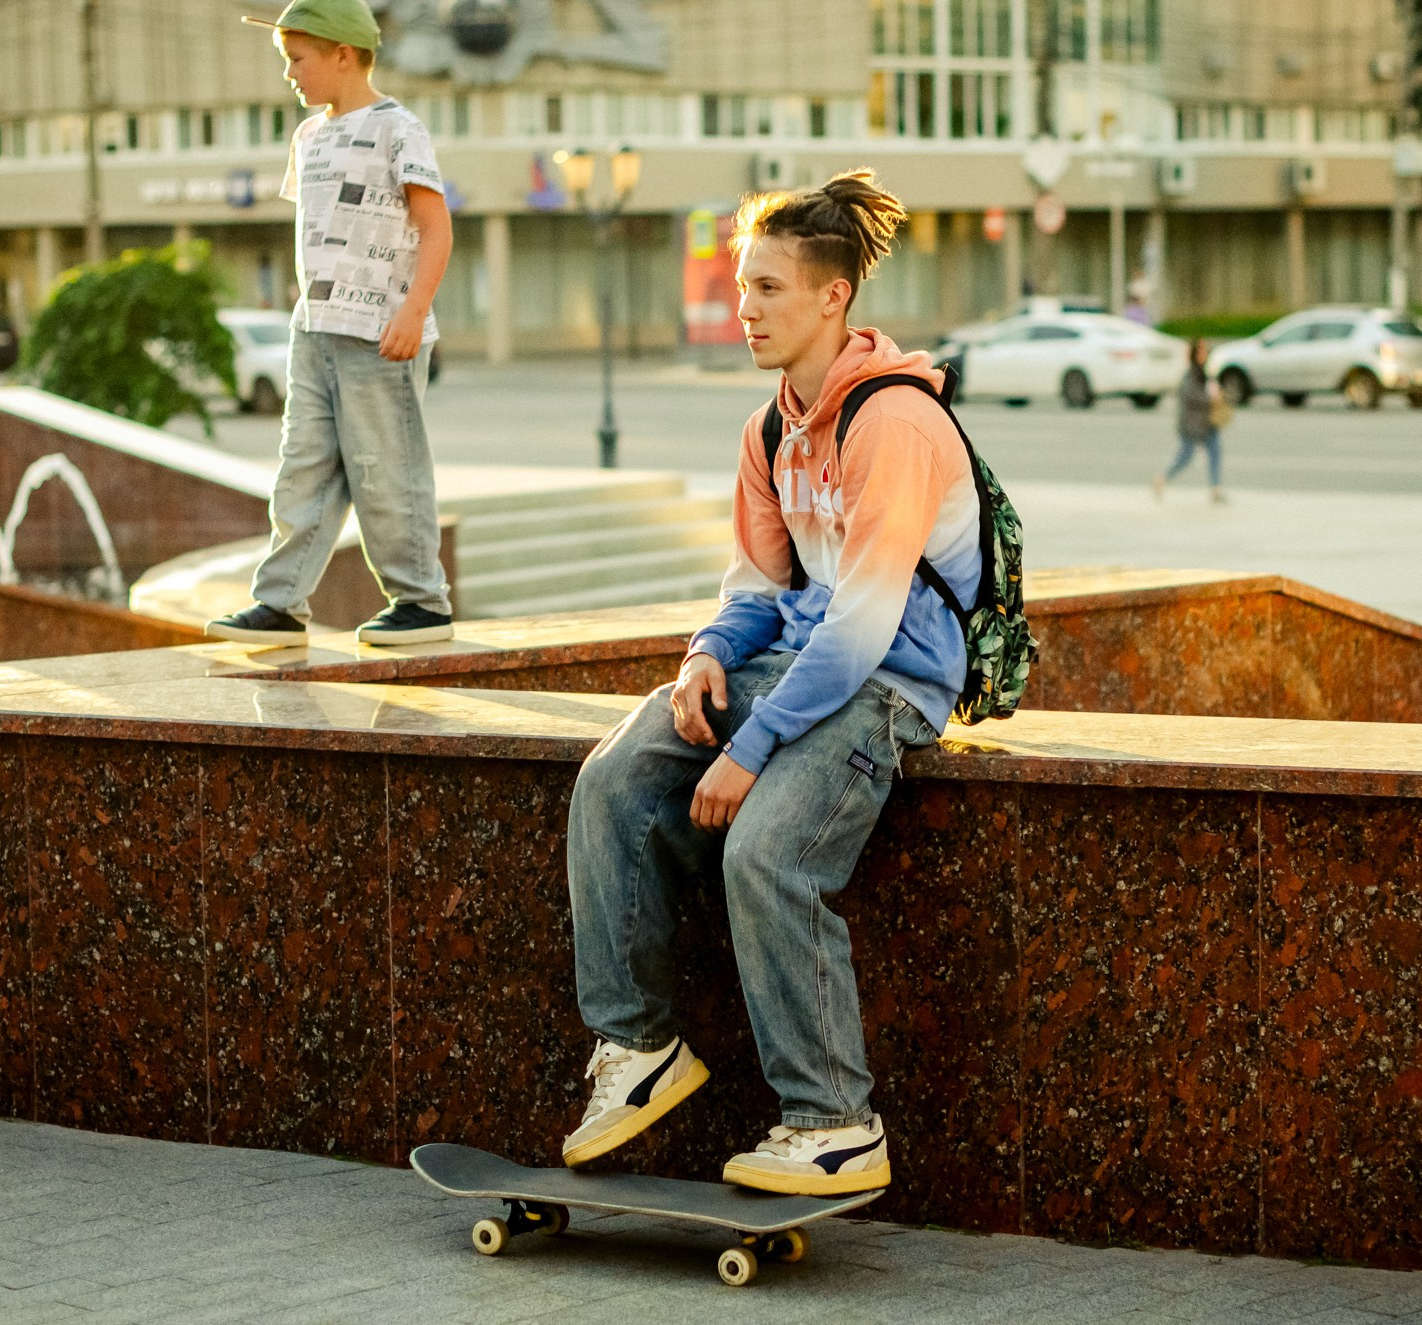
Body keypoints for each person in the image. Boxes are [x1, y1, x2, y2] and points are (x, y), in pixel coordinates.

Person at [559, 170, 981, 1197]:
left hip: (890, 681)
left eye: (769, 290)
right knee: (611, 777)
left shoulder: (895, 423)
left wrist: (750, 747)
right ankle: (637, 1047)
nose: (744, 308)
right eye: (741, 286)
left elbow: (865, 624)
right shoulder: (767, 429)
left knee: (766, 854)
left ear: (832, 297)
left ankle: (834, 1119)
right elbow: (756, 583)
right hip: (794, 660)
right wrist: (705, 655)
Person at [208, 0, 455, 647]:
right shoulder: (309, 137)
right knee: (303, 466)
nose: (290, 73)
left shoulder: (398, 127)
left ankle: (422, 601)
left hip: (380, 330)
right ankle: (281, 602)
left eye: (298, 59)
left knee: (385, 467)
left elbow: (436, 229)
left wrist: (414, 310)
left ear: (343, 54)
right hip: (313, 327)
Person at [1154, 336, 1228, 505]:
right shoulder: (1191, 374)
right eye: (1202, 350)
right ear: (1195, 353)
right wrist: (1211, 399)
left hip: (1205, 423)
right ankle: (1162, 479)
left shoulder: (1202, 371)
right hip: (1193, 424)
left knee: (1215, 452)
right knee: (1185, 456)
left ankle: (1215, 489)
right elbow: (1191, 396)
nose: (1205, 352)